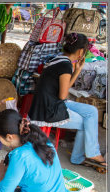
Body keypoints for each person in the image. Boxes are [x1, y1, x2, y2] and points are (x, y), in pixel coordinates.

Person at [28, 33, 106, 168]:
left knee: (91, 111)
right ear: (81, 51)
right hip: (49, 109)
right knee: (86, 123)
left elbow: (62, 92)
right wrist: (74, 71)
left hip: (51, 102)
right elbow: (63, 95)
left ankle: (89, 153)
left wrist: (77, 71)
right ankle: (85, 155)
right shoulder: (65, 66)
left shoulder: (59, 59)